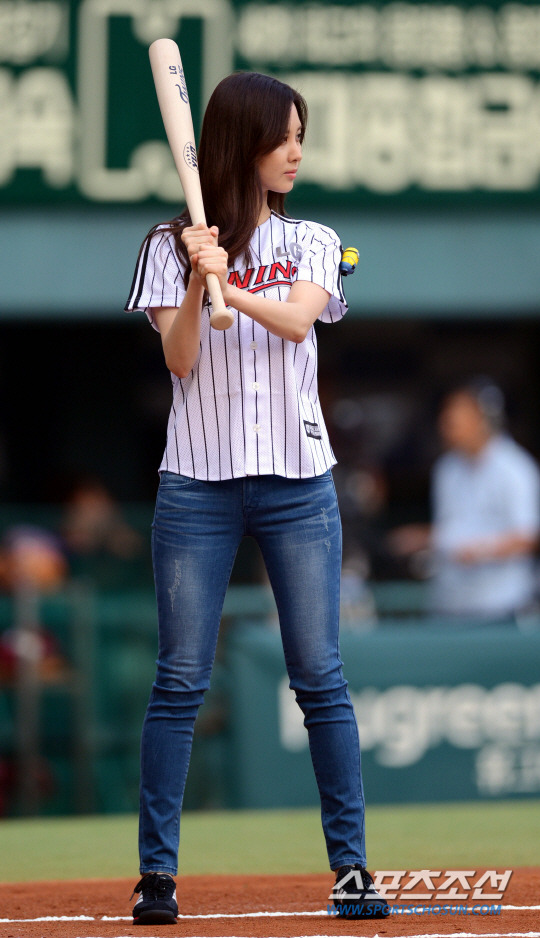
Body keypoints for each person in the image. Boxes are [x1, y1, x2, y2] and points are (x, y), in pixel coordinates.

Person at [125, 72, 389, 924]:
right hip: (195, 483)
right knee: (179, 680)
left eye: (301, 137)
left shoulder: (313, 238)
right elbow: (180, 360)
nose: (297, 153)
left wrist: (230, 285)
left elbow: (298, 320)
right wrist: (197, 277)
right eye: (285, 137)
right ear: (244, 142)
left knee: (320, 676)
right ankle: (157, 877)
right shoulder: (169, 243)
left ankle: (351, 869)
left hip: (298, 481)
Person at [391, 378, 540, 621]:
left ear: (484, 418)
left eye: (458, 413)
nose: (447, 421)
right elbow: (454, 529)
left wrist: (480, 550)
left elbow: (528, 537)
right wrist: (421, 538)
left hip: (501, 605)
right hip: (450, 602)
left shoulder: (516, 468)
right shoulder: (446, 468)